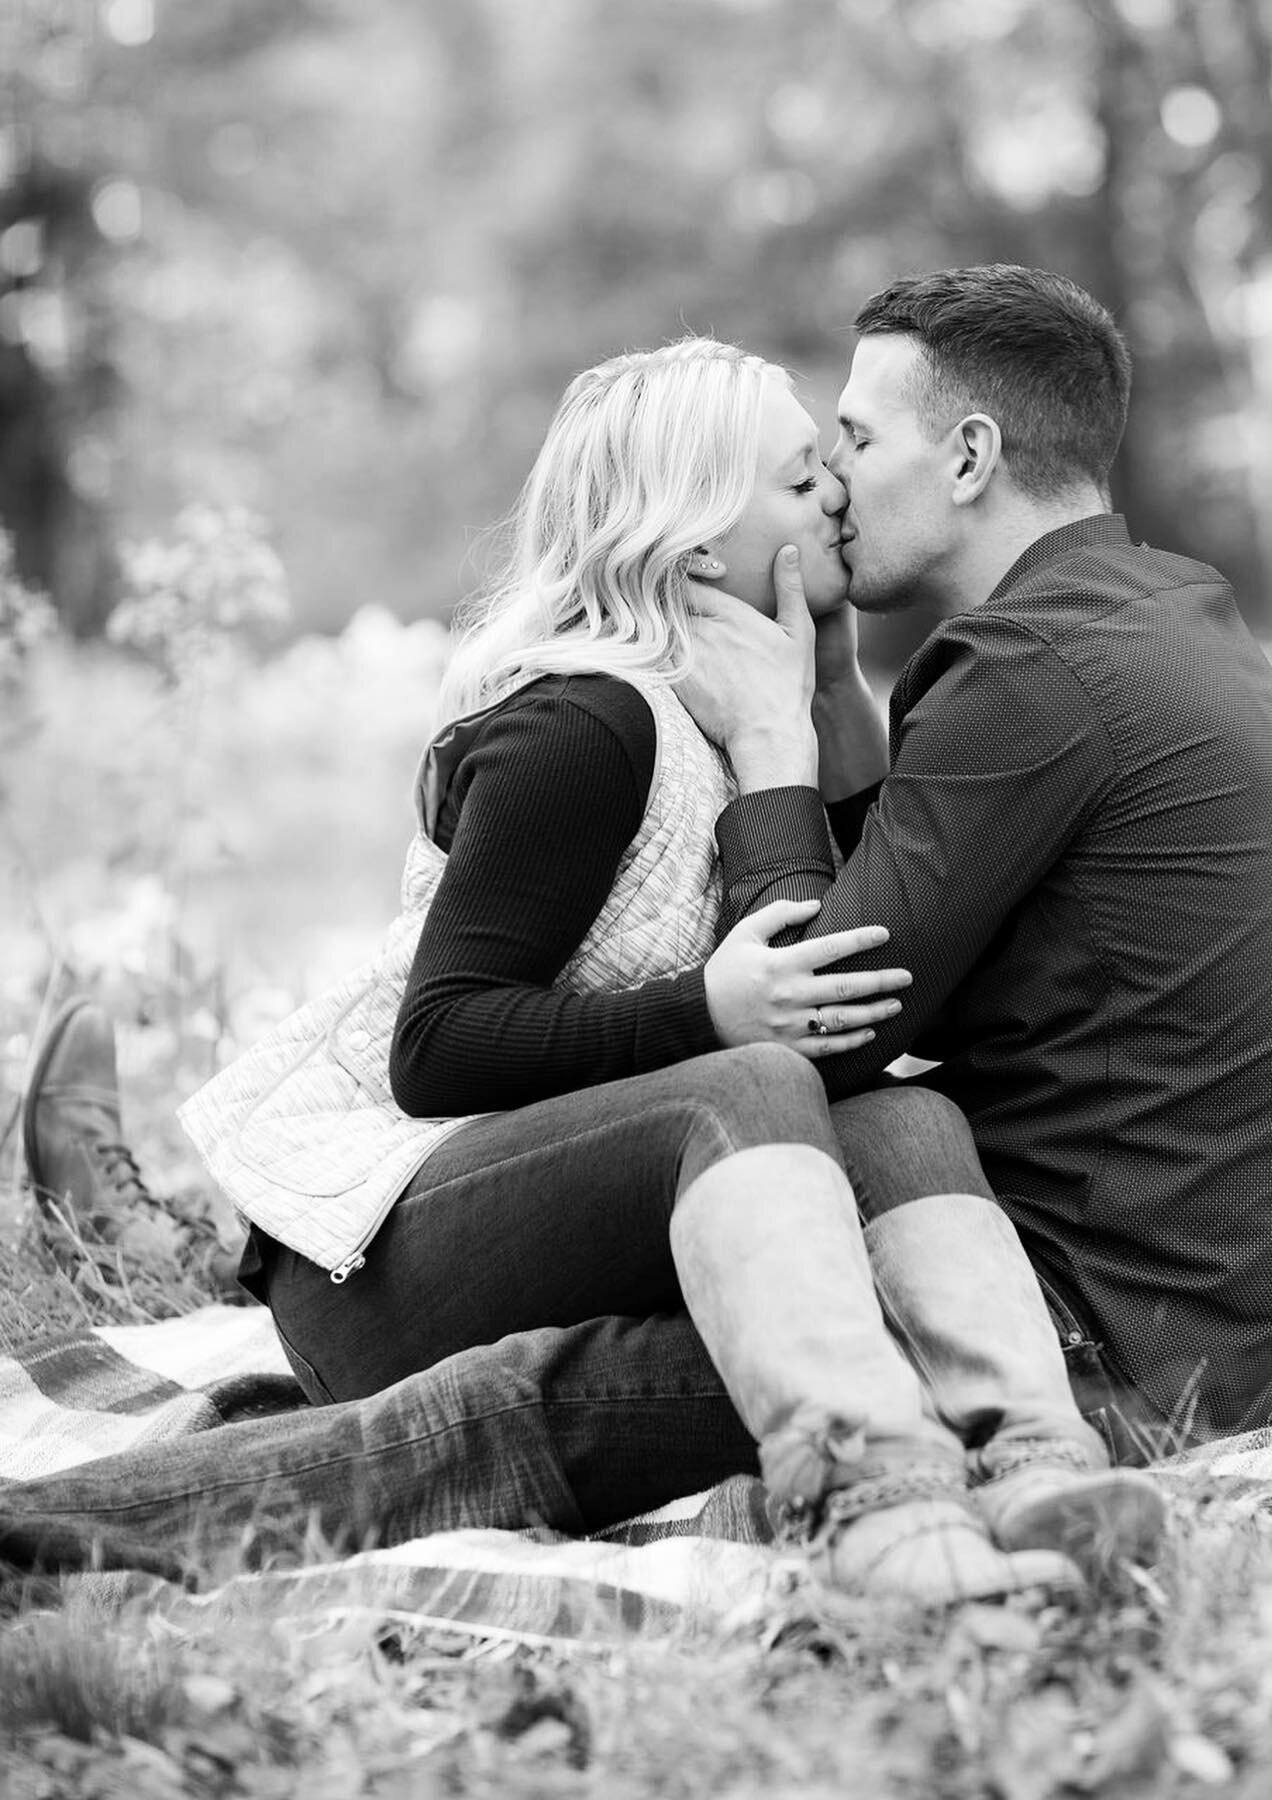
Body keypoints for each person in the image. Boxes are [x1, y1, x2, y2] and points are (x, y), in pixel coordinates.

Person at [8, 336, 1163, 1605]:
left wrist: (821, 711)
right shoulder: (587, 724)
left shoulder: (735, 719)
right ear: (687, 547)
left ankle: (1036, 1460)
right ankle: (876, 1500)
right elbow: (438, 1045)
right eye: (796, 480)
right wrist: (705, 1010)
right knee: (755, 1086)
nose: (836, 488)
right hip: (377, 1275)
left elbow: (840, 989)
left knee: (905, 1114)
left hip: (554, 1212)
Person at [681, 265, 1272, 1452]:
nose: (829, 480)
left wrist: (766, 747)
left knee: (563, 1381)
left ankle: (248, 1487)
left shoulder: (1029, 671)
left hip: (1080, 1343)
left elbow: (824, 1027)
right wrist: (838, 696)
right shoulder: (1156, 611)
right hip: (1218, 1326)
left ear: (967, 457)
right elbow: (923, 949)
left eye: (854, 436)